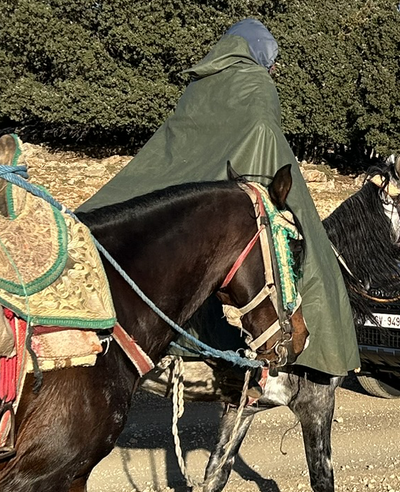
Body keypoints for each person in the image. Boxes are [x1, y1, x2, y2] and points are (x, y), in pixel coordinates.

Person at [80, 19, 359, 377]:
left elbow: (177, 142)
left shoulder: (200, 84)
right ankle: (306, 346)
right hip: (252, 179)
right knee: (308, 248)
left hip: (188, 182)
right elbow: (264, 134)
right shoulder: (258, 82)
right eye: (271, 60)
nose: (272, 68)